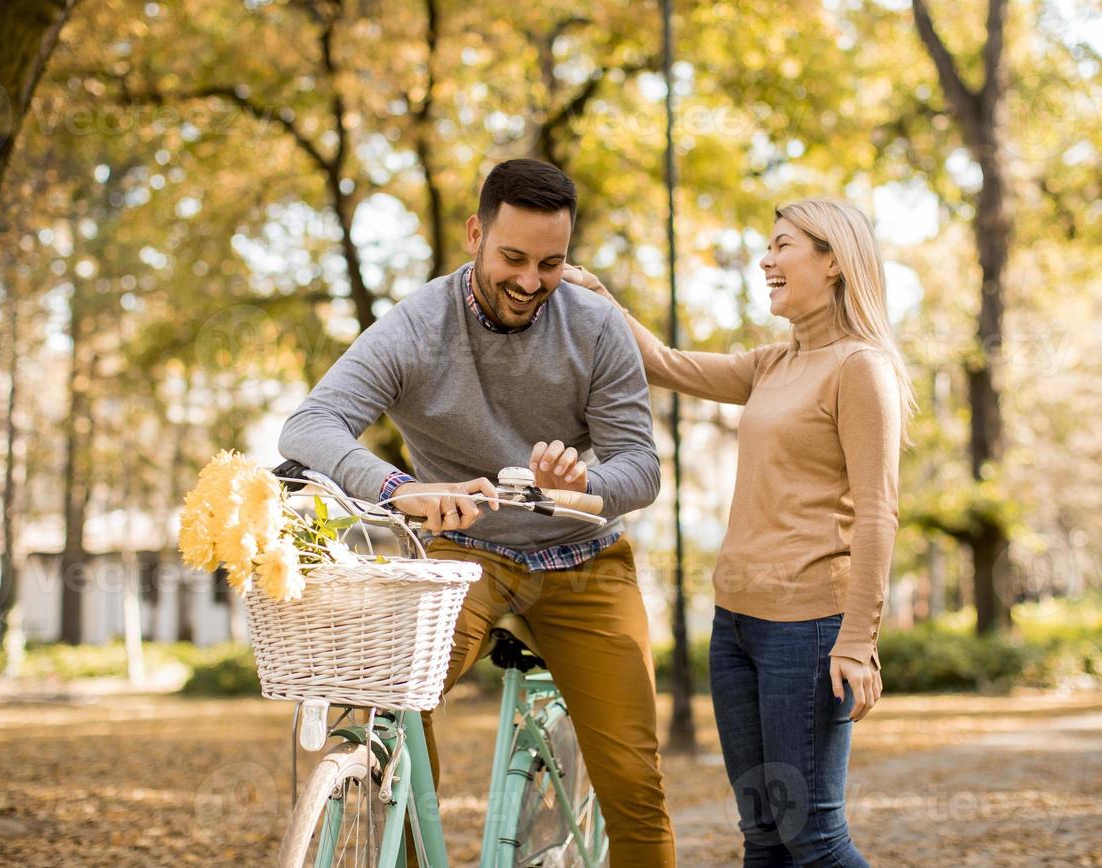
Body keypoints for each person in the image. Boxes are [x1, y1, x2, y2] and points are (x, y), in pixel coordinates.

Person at [278, 158, 676, 866]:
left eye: (551, 263)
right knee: (390, 706)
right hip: (465, 555)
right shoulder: (415, 327)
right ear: (475, 234)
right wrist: (401, 488)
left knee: (633, 786)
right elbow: (310, 426)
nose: (530, 282)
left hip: (584, 561)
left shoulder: (597, 328)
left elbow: (639, 467)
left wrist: (583, 484)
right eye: (513, 258)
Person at [566, 197, 914, 867]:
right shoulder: (772, 365)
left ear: (834, 261)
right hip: (736, 629)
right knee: (763, 837)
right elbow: (665, 364)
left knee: (812, 839)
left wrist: (859, 641)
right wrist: (602, 298)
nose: (766, 259)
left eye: (783, 245)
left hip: (808, 630)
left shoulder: (859, 368)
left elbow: (877, 511)